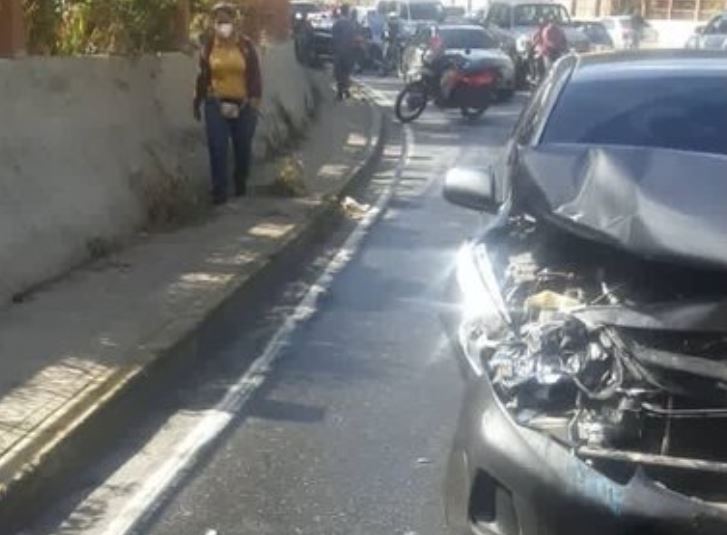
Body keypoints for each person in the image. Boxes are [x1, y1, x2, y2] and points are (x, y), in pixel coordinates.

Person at [193, 2, 262, 205]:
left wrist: (254, 101)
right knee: (217, 148)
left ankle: (240, 184)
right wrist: (197, 101)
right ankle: (219, 194)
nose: (222, 25)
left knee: (242, 149)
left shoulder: (246, 46)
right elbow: (202, 75)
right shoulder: (209, 47)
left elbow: (255, 76)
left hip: (243, 105)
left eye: (225, 21)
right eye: (218, 21)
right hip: (215, 103)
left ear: (234, 21)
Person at [332, 3, 357, 100]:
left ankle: (340, 91)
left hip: (339, 51)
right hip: (348, 51)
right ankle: (345, 90)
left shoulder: (337, 23)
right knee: (346, 71)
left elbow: (333, 37)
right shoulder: (350, 24)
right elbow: (353, 37)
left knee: (339, 72)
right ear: (347, 12)